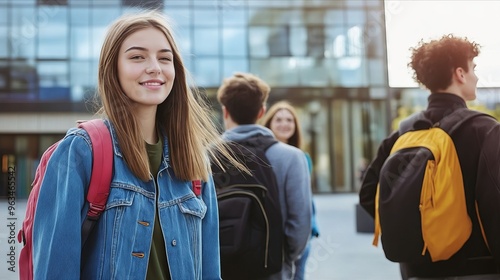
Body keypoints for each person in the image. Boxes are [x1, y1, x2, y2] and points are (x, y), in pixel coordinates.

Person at [32, 11, 245, 279]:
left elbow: (210, 271)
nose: (155, 67)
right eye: (137, 56)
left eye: (165, 58)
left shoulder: (194, 161)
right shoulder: (80, 152)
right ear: (113, 68)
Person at [359, 34, 500, 279]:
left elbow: (369, 193)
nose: (476, 76)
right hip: (477, 268)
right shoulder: (485, 130)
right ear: (460, 73)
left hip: (416, 271)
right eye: (473, 68)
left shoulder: (403, 132)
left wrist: (420, 238)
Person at [216, 72, 312, 279]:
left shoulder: (206, 156)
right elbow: (301, 221)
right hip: (272, 270)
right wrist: (284, 259)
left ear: (225, 112)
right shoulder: (292, 157)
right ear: (262, 112)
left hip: (221, 269)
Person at [260, 101, 320, 280]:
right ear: (269, 123)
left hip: (300, 236)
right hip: (274, 240)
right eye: (278, 120)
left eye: (289, 120)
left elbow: (304, 198)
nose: (284, 124)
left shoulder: (302, 157)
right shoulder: (260, 156)